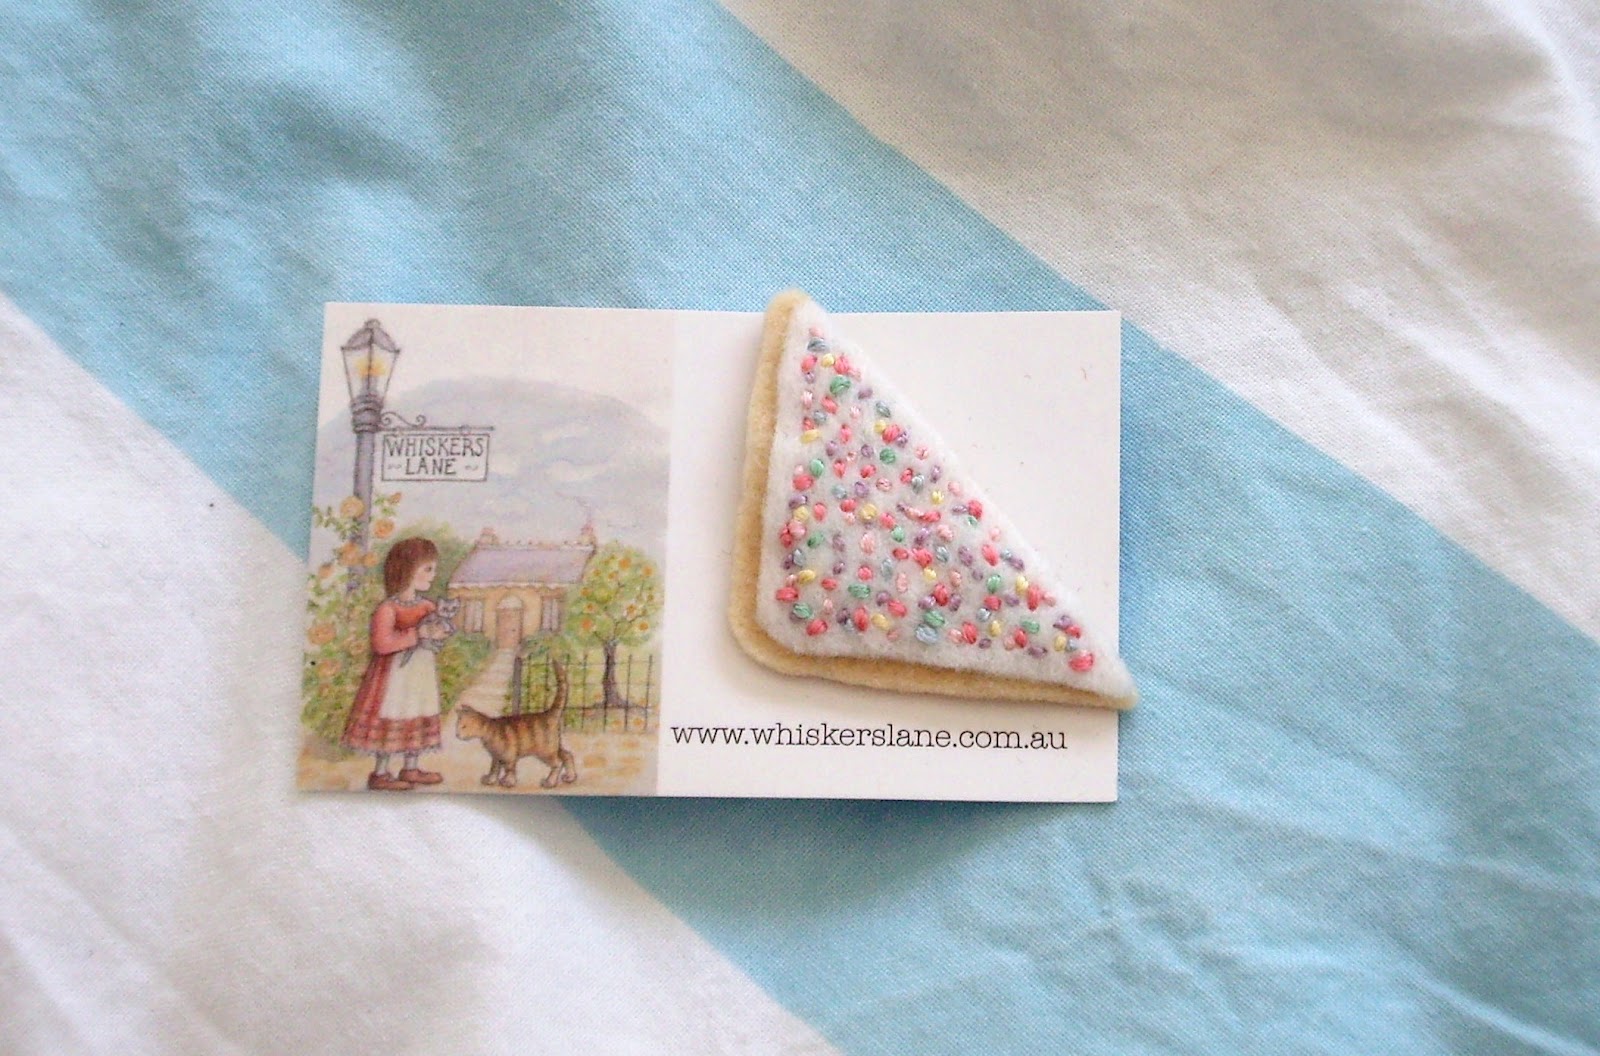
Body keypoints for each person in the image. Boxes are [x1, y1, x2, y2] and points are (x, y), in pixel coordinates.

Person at [340, 537, 450, 790]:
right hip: (394, 676)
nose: (433, 575)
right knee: (394, 712)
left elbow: (437, 633)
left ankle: (411, 768)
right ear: (407, 569)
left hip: (420, 673)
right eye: (427, 569)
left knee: (417, 710)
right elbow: (382, 644)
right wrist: (416, 634)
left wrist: (438, 633)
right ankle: (380, 773)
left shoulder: (427, 606)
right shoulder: (387, 609)